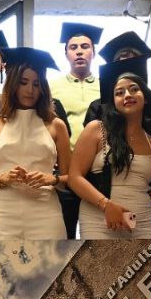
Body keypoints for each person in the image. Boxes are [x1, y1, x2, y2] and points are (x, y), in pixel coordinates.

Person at [69, 58, 151, 240]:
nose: (127, 95)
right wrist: (106, 205)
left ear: (145, 98)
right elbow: (74, 177)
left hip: (142, 223)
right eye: (119, 92)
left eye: (134, 89)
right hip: (99, 220)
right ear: (113, 101)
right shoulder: (96, 130)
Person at [0, 47, 72, 241]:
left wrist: (52, 179)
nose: (30, 90)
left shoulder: (56, 125)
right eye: (23, 82)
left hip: (46, 213)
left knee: (51, 262)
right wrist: (3, 179)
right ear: (13, 84)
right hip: (3, 214)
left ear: (43, 87)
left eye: (36, 84)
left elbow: (71, 180)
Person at [52, 22, 103, 236]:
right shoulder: (52, 87)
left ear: (94, 52)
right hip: (65, 168)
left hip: (99, 169)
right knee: (65, 233)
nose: (79, 51)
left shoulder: (106, 86)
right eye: (73, 48)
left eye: (85, 46)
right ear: (66, 54)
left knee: (99, 233)